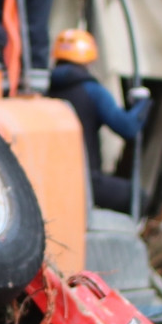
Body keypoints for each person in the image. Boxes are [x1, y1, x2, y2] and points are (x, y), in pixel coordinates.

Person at [47, 28, 152, 213]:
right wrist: (142, 104)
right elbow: (127, 127)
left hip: (53, 180)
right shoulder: (92, 91)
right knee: (139, 197)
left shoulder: (46, 91)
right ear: (88, 60)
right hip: (87, 181)